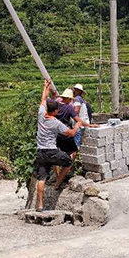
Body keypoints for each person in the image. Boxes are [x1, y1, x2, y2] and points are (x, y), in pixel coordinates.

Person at [35, 80, 81, 211]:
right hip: (51, 151)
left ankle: (40, 205)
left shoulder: (41, 115)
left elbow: (43, 100)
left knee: (41, 178)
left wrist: (46, 87)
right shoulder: (56, 123)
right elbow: (71, 133)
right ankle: (58, 182)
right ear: (55, 111)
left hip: (40, 152)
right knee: (68, 160)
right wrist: (77, 125)